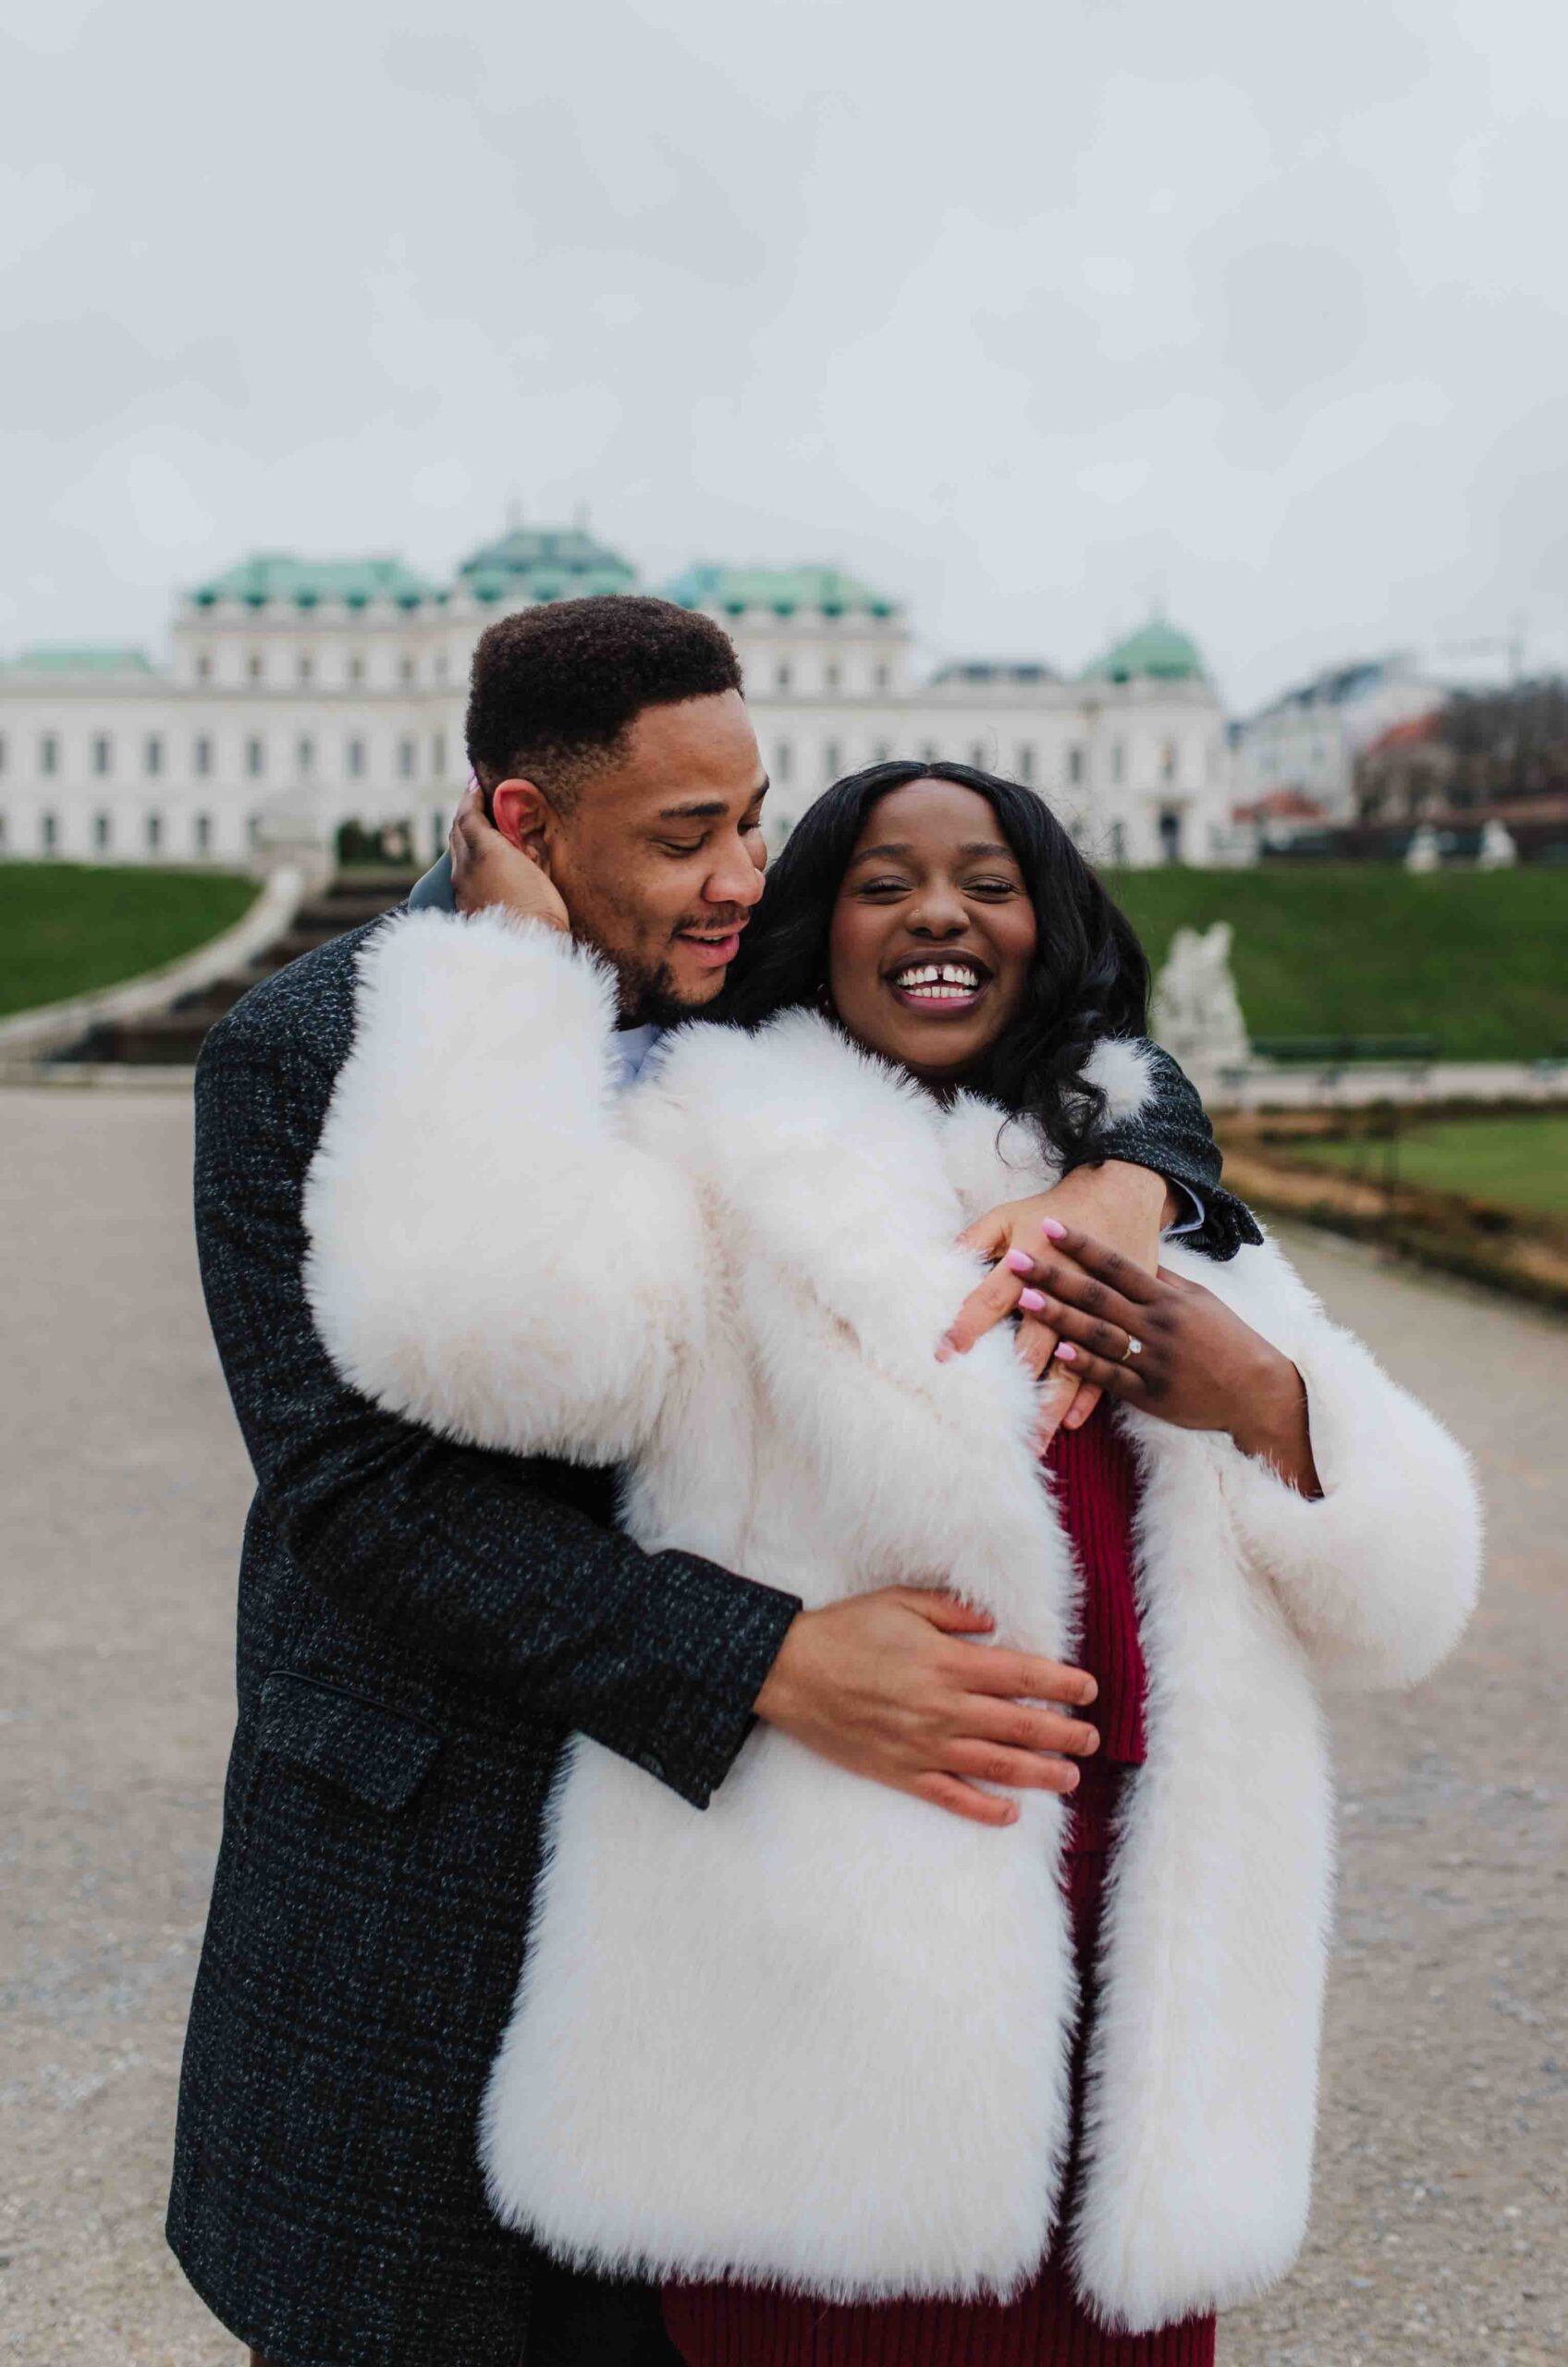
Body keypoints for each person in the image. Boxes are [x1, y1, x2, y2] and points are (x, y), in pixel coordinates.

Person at [167, 598, 1246, 2367]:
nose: (746, 871)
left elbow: (1085, 1027)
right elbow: (361, 1499)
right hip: (432, 1854)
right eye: (689, 836)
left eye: (753, 814)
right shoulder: (296, 1052)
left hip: (714, 1889)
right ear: (523, 826)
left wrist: (1129, 1184)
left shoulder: (737, 972)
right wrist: (770, 1658)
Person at [302, 758, 1481, 2361]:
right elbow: (462, 1333)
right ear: (822, 927)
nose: (940, 911)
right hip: (823, 2049)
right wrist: (504, 976)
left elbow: (1400, 1600)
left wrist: (1267, 1400)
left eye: (988, 879)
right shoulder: (716, 1168)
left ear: (1047, 921)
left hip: (1135, 2024)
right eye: (883, 880)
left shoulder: (1159, 1210)